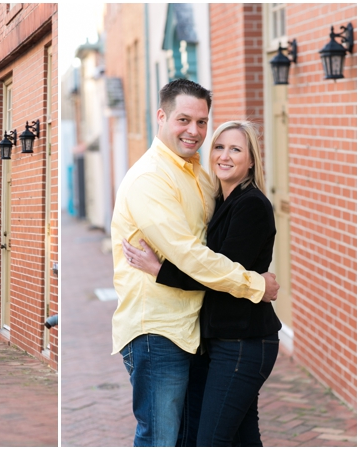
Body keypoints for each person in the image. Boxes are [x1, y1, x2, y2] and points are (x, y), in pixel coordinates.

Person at [110, 79, 279, 447]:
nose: (195, 131)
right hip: (158, 330)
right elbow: (190, 255)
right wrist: (257, 284)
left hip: (196, 331)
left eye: (202, 122)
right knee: (161, 438)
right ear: (161, 116)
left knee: (196, 438)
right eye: (184, 119)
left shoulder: (201, 177)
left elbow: (211, 251)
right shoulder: (150, 178)